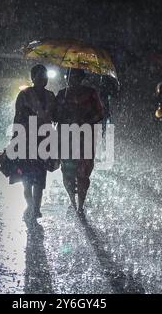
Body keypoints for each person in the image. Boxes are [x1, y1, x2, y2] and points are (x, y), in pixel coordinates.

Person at [54, 68, 104, 216]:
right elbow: (55, 115)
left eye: (75, 77)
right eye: (70, 77)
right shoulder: (62, 94)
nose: (72, 80)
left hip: (84, 138)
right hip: (66, 138)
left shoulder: (90, 93)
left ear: (81, 78)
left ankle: (80, 205)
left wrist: (85, 121)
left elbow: (100, 113)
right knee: (68, 172)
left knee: (83, 173)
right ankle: (73, 201)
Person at [10, 64, 57, 220]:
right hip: (26, 140)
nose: (43, 79)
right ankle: (30, 205)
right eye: (39, 76)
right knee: (27, 178)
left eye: (45, 77)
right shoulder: (24, 95)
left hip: (44, 140)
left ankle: (36, 207)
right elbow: (18, 118)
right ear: (33, 78)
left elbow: (56, 116)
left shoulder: (51, 96)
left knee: (40, 176)